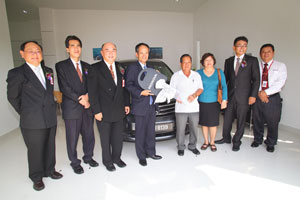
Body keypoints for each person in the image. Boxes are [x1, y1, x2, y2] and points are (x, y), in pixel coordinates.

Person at [6, 41, 62, 191]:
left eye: (38, 51)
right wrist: (26, 112)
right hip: (32, 120)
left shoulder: (48, 71)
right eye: (31, 51)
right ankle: (36, 177)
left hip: (50, 116)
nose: (35, 54)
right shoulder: (16, 73)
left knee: (50, 145)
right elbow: (13, 97)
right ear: (22, 54)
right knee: (35, 149)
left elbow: (48, 93)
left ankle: (50, 170)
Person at [55, 35, 98, 174]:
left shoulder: (87, 66)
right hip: (72, 108)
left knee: (89, 135)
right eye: (72, 46)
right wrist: (81, 99)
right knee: (72, 138)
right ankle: (74, 162)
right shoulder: (61, 66)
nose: (76, 48)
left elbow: (92, 86)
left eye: (78, 46)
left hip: (87, 108)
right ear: (67, 49)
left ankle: (88, 157)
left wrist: (88, 98)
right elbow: (64, 87)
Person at [88, 42, 130, 172]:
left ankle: (117, 158)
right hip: (103, 111)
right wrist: (96, 110)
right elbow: (92, 91)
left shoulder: (120, 67)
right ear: (102, 52)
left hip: (119, 109)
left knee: (118, 137)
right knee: (105, 139)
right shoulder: (94, 68)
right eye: (107, 50)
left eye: (113, 50)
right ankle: (108, 161)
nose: (111, 53)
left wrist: (127, 103)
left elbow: (124, 88)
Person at [215, 36, 260, 151]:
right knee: (227, 118)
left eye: (245, 45)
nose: (242, 48)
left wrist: (253, 95)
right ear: (234, 47)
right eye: (240, 45)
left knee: (241, 120)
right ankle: (226, 138)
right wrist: (223, 96)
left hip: (244, 97)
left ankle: (236, 141)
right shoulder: (228, 61)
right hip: (230, 96)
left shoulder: (252, 60)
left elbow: (256, 79)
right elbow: (226, 81)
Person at [124, 43, 162, 166]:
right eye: (142, 53)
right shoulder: (132, 68)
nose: (144, 55)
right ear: (137, 54)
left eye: (146, 53)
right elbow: (128, 85)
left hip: (152, 105)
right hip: (140, 105)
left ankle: (151, 152)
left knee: (151, 131)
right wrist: (141, 92)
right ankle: (141, 156)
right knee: (140, 132)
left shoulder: (151, 67)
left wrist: (158, 79)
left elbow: (155, 85)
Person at [251, 43, 287, 152]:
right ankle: (257, 139)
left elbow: (280, 83)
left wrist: (265, 93)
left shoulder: (280, 66)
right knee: (257, 120)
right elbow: (252, 81)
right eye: (263, 52)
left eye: (268, 52)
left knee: (272, 122)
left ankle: (271, 142)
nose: (266, 54)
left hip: (272, 98)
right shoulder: (256, 65)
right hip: (257, 96)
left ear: (273, 53)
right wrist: (259, 93)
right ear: (260, 54)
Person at [170, 54, 203, 156]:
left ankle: (192, 146)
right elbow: (171, 90)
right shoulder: (176, 76)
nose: (186, 64)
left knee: (194, 128)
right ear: (180, 64)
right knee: (180, 129)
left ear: (191, 63)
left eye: (188, 62)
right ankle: (180, 147)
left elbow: (200, 88)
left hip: (194, 107)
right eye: (184, 62)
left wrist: (194, 95)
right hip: (180, 108)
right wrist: (177, 97)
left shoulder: (196, 75)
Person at [197, 53, 228, 152]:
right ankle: (206, 141)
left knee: (213, 124)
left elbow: (224, 87)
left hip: (215, 102)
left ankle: (212, 142)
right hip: (201, 102)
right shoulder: (199, 73)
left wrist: (224, 100)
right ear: (203, 62)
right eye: (206, 60)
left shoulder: (219, 72)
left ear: (214, 61)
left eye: (211, 60)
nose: (209, 62)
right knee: (204, 123)